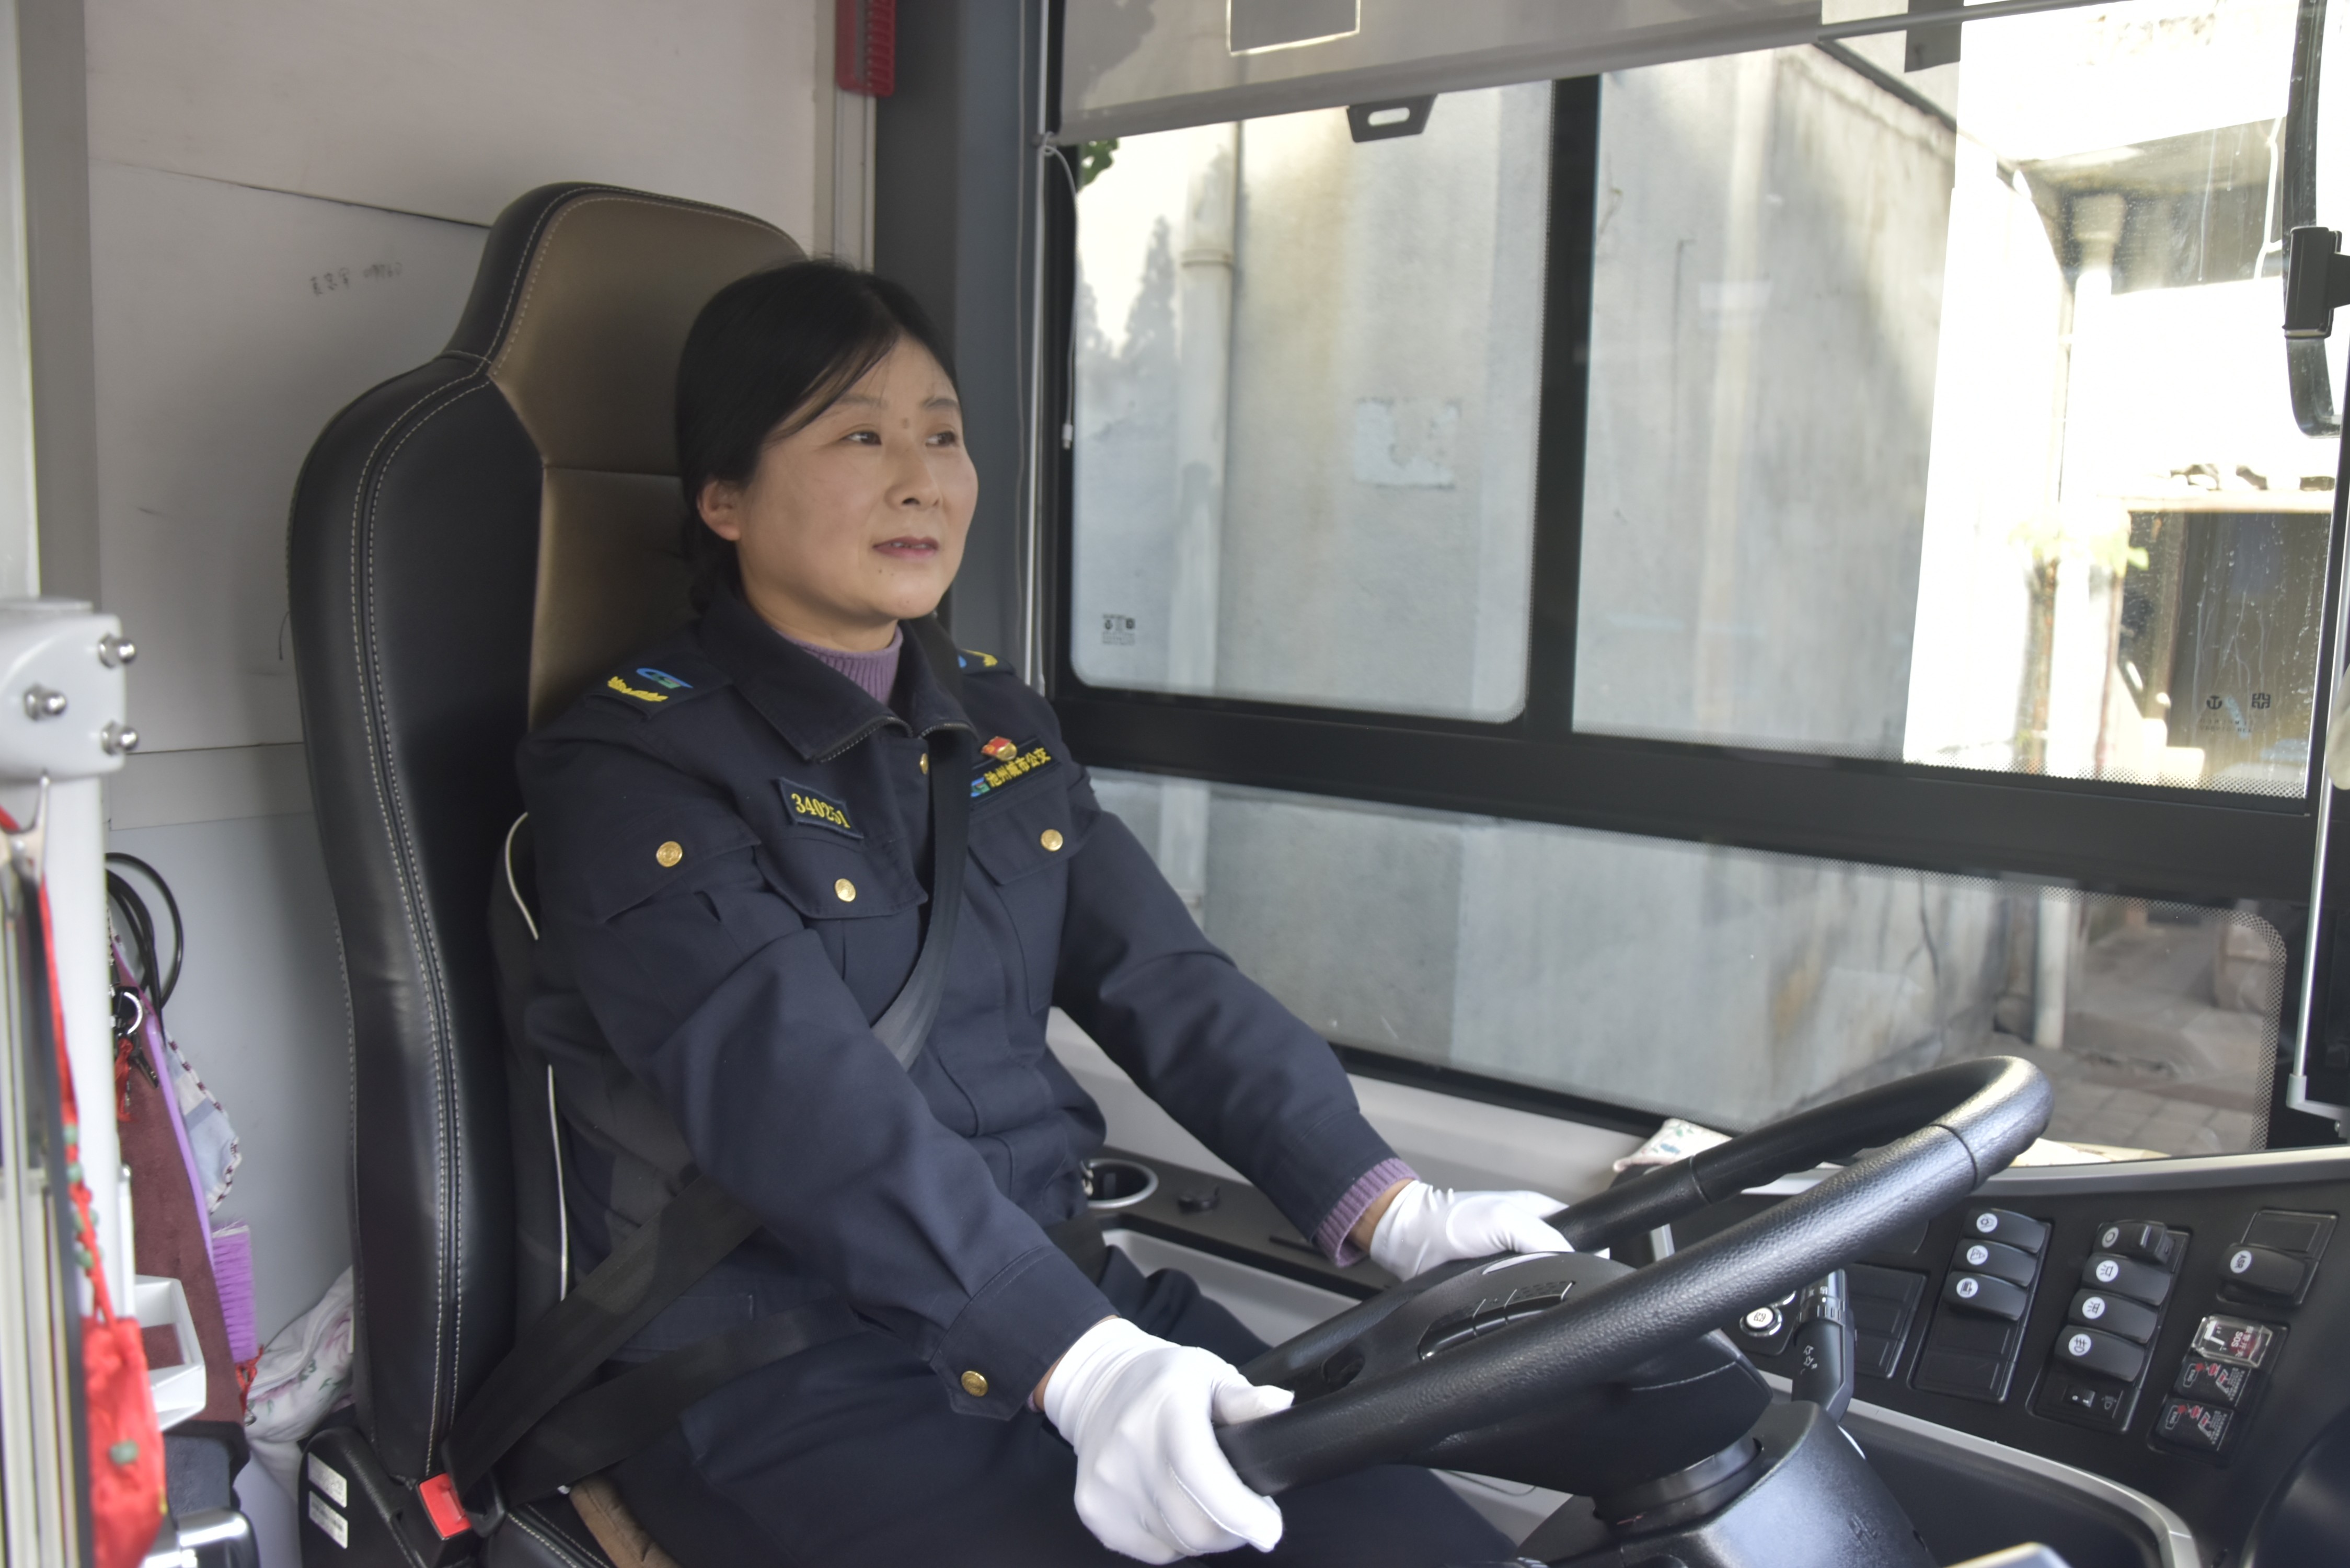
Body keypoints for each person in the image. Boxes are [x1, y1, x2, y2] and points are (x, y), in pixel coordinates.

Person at [517, 259, 1575, 1566]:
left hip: (1066, 1295)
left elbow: (1166, 981)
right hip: (784, 1369)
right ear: (722, 497)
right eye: (860, 437)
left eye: (943, 434)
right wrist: (1071, 1359)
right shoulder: (632, 767)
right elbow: (793, 1102)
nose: (923, 480)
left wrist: (1388, 1207)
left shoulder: (994, 720)